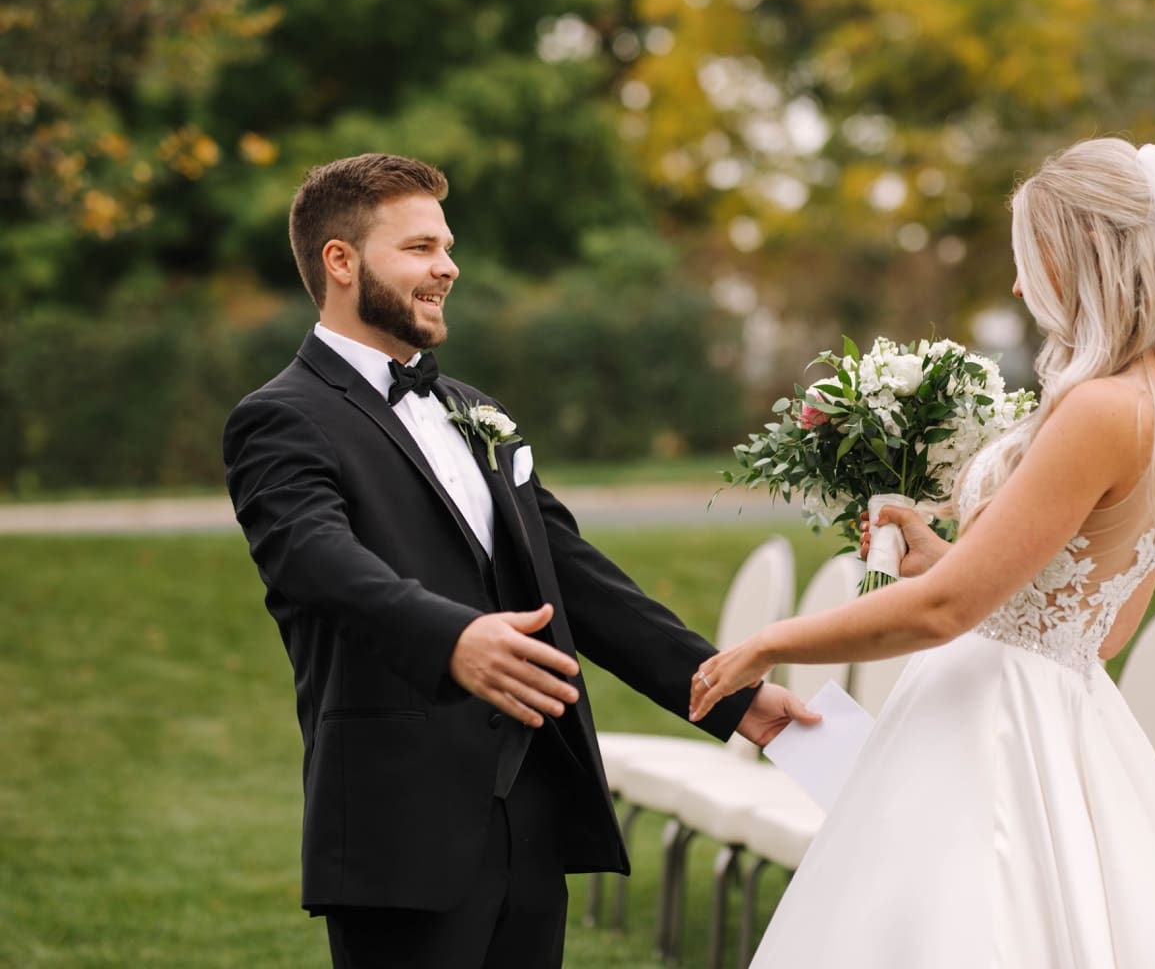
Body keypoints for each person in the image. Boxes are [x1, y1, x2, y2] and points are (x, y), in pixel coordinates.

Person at [689, 138, 1155, 967]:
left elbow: (947, 612)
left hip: (997, 731)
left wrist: (769, 642)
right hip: (1063, 717)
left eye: (1030, 253)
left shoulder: (1100, 409)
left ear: (1085, 250)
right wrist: (949, 555)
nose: (1020, 285)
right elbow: (1097, 624)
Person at [222, 152, 816, 969]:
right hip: (400, 819)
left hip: (533, 802)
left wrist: (725, 692)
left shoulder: (475, 410)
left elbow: (572, 575)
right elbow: (313, 559)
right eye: (420, 247)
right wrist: (453, 639)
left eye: (447, 246)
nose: (448, 267)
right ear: (341, 261)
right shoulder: (281, 417)